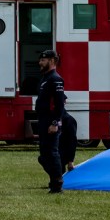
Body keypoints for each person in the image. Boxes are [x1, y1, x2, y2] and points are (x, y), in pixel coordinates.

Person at [34, 50, 66, 193]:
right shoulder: (45, 79)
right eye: (40, 60)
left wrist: (55, 123)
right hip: (43, 120)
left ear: (52, 61)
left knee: (52, 153)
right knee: (44, 155)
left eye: (43, 60)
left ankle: (57, 184)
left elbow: (60, 103)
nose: (40, 63)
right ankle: (54, 179)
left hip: (50, 122)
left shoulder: (55, 79)